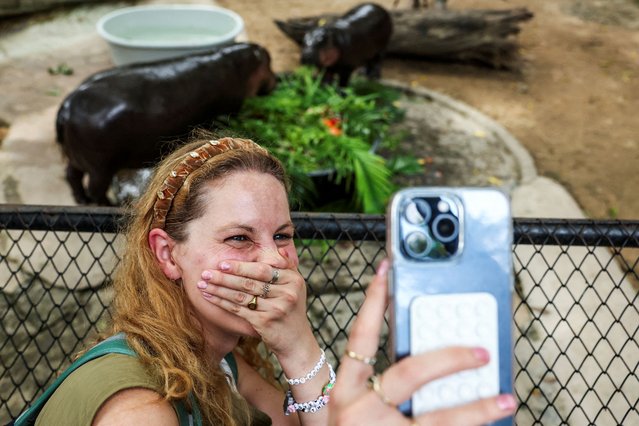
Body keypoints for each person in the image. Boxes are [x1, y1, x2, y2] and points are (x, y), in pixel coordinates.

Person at [29, 133, 516, 425]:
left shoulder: (218, 363)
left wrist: (297, 345)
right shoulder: (140, 407)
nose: (274, 261)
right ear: (167, 254)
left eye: (282, 234)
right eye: (239, 238)